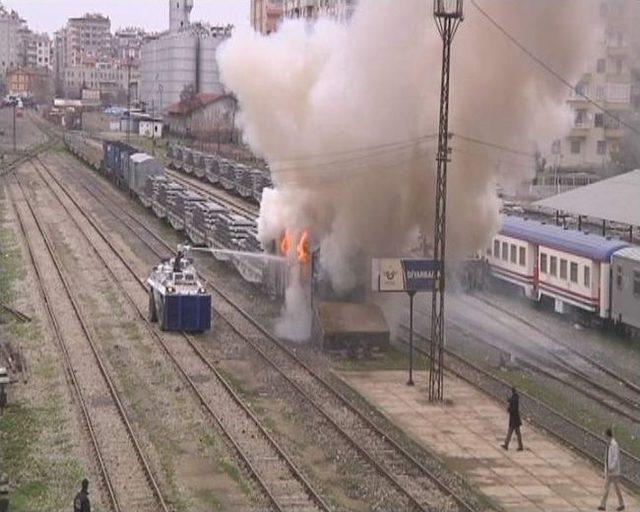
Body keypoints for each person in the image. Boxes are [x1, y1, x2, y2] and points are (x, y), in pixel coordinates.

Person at [598, 428, 625, 511]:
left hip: (613, 471)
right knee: (606, 487)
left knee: (617, 488)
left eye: (605, 435)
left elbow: (615, 458)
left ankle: (621, 504)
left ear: (608, 435)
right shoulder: (609, 444)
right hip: (609, 471)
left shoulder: (614, 445)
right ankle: (603, 505)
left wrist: (611, 467)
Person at [502, 386, 523, 451]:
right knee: (517, 433)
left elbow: (513, 408)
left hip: (514, 419)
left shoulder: (514, 398)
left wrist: (509, 409)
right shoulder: (515, 398)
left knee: (511, 432)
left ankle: (506, 445)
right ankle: (519, 446)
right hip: (515, 419)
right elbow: (511, 400)